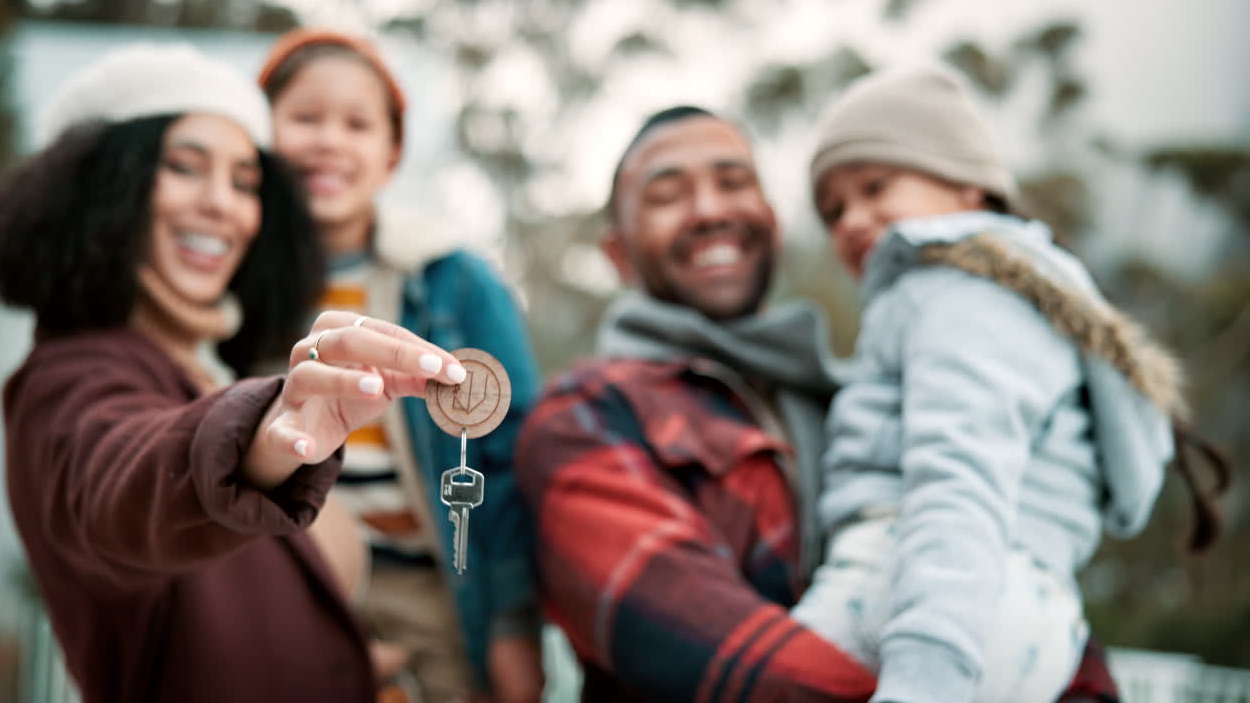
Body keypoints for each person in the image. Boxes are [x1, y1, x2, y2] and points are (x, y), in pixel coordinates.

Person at [515, 105, 1130, 702]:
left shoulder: (859, 400)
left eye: (734, 183)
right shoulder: (585, 416)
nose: (709, 210)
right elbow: (714, 652)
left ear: (772, 221)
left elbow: (998, 563)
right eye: (668, 195)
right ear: (618, 252)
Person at [0, 43, 471, 702]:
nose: (222, 204)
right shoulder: (70, 377)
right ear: (100, 191)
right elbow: (119, 476)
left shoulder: (205, 365)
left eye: (244, 182)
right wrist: (259, 438)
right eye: (184, 167)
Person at [789, 62, 1230, 703]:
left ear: (970, 186)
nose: (852, 220)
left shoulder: (955, 292)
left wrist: (928, 675)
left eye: (875, 185)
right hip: (1033, 619)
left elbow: (958, 477)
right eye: (831, 211)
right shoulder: (1020, 303)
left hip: (922, 590)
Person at [256, 29, 544, 702]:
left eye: (357, 124)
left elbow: (506, 457)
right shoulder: (232, 284)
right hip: (288, 578)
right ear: (263, 137)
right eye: (305, 118)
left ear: (391, 155)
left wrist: (511, 626)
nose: (329, 140)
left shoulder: (452, 279)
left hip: (433, 580)